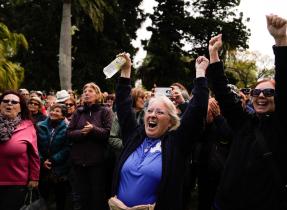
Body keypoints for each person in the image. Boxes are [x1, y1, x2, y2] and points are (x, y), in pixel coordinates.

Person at [207, 15, 287, 210]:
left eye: (268, 92)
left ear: (277, 97)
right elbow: (224, 96)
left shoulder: (285, 126)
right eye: (256, 92)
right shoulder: (244, 123)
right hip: (224, 204)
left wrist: (281, 42)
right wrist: (214, 56)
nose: (261, 96)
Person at [109, 52, 209, 210]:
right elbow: (123, 105)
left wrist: (201, 72)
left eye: (160, 112)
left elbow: (197, 111)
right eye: (150, 111)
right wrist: (126, 70)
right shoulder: (135, 136)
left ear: (171, 121)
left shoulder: (177, 144)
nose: (153, 115)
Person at [67, 82, 113, 210]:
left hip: (98, 162)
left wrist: (93, 130)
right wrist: (83, 132)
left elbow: (108, 133)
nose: (86, 93)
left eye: (90, 91)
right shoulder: (78, 112)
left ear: (98, 95)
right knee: (82, 196)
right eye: (85, 91)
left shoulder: (105, 111)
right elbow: (69, 133)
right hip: (79, 162)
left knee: (97, 196)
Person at [0, 90, 40, 210]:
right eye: (6, 101)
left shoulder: (28, 127)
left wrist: (34, 178)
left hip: (16, 182)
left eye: (14, 102)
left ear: (21, 108)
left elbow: (34, 155)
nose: (9, 104)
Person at [37, 103, 71, 210]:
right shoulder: (40, 125)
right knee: (43, 198)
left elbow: (67, 148)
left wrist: (52, 160)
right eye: (52, 110)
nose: (53, 112)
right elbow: (35, 146)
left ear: (63, 115)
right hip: (42, 167)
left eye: (57, 111)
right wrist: (42, 161)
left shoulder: (67, 128)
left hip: (59, 168)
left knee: (60, 197)